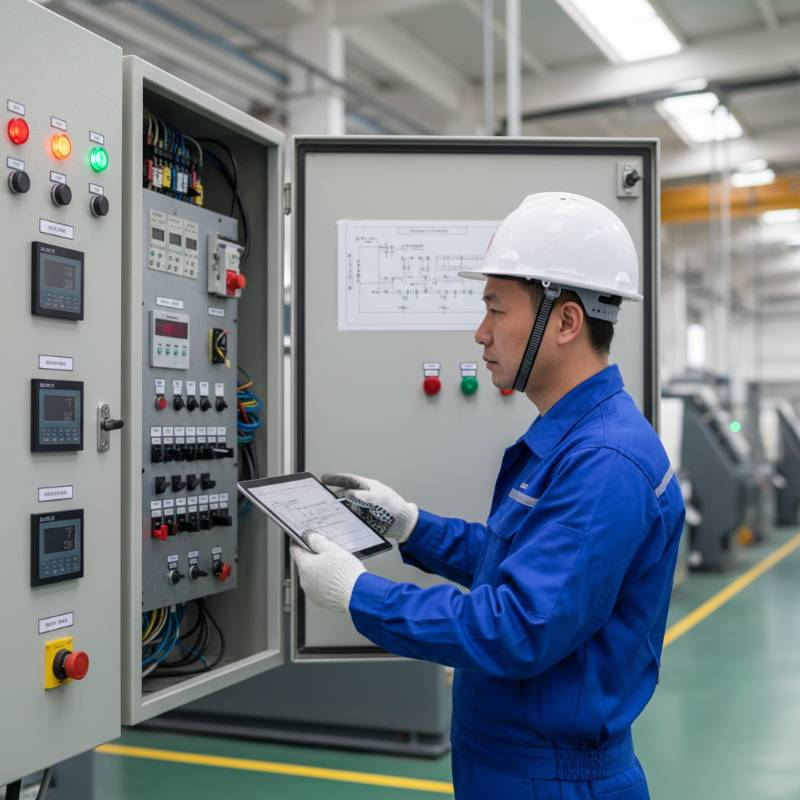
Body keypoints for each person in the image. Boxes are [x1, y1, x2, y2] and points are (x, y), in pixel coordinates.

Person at [292, 192, 685, 800]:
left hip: (551, 781)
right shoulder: (579, 439)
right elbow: (526, 565)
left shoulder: (604, 461)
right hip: (510, 764)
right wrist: (411, 526)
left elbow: (517, 626)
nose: (480, 334)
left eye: (495, 310)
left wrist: (357, 593)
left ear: (566, 322)